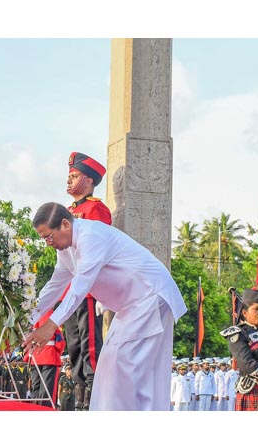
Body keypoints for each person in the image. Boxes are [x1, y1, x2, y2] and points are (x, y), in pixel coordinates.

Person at [22, 202, 187, 410]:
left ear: (65, 224)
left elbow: (80, 287)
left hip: (150, 295)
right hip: (130, 307)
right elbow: (53, 288)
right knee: (109, 365)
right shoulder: (65, 252)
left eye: (49, 236)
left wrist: (52, 324)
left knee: (129, 365)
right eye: (43, 238)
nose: (47, 243)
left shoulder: (91, 236)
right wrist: (24, 320)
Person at [63, 151, 111, 410]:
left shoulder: (96, 209)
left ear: (89, 180)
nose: (69, 181)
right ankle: (79, 396)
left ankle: (92, 398)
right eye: (68, 176)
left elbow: (98, 248)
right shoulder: (69, 211)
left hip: (88, 290)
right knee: (74, 346)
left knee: (89, 345)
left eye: (74, 176)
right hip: (70, 288)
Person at [26, 309, 66, 408]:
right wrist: (59, 350)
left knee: (36, 388)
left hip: (35, 355)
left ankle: (34, 408)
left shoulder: (35, 316)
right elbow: (59, 339)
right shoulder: (53, 315)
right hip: (49, 356)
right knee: (47, 389)